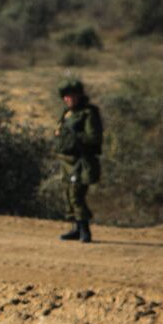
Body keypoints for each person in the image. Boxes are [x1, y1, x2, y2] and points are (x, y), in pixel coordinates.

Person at [54, 78, 103, 243]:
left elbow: (94, 138)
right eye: (66, 97)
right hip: (66, 161)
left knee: (76, 195)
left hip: (82, 161)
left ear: (80, 96)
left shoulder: (88, 113)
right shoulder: (67, 113)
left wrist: (74, 137)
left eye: (72, 96)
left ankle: (85, 230)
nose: (69, 99)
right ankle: (75, 228)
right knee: (68, 195)